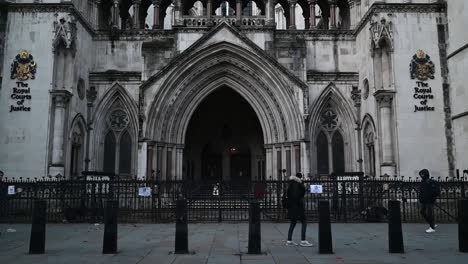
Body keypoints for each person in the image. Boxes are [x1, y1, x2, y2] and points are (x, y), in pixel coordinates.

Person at [286, 173, 313, 247]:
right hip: (297, 206)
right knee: (304, 222)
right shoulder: (298, 184)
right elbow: (298, 195)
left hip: (291, 206)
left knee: (293, 223)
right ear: (300, 178)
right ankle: (303, 240)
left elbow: (288, 194)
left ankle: (289, 240)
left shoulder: (291, 183)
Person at [418, 169, 440, 233]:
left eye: (422, 174)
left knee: (430, 213)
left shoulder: (431, 182)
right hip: (424, 201)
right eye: (420, 174)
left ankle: (432, 227)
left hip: (430, 200)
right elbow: (421, 192)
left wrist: (431, 197)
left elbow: (435, 192)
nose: (421, 175)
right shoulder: (423, 182)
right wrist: (420, 199)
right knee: (422, 212)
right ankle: (432, 223)